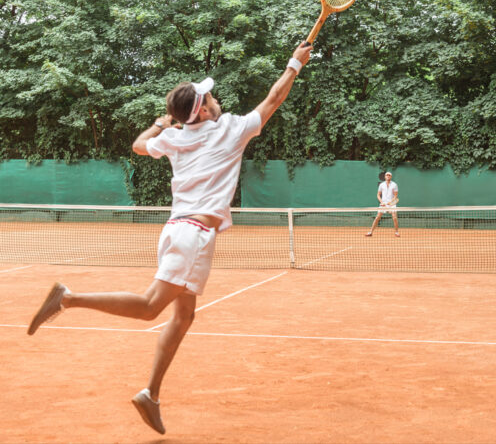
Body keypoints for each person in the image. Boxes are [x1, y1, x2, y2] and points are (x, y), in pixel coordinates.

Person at [26, 41, 313, 435]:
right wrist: (295, 64)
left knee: (184, 315)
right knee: (149, 308)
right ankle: (69, 298)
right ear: (205, 110)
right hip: (192, 235)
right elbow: (273, 99)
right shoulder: (229, 130)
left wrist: (164, 123)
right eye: (210, 97)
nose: (215, 99)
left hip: (180, 231)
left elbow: (139, 145)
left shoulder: (174, 137)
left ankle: (151, 394)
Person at [365, 171, 400, 237]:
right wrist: (381, 202)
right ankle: (370, 232)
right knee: (377, 217)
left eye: (389, 175)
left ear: (391, 177)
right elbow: (378, 195)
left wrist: (390, 203)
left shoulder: (394, 185)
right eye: (387, 175)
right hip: (383, 203)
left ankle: (396, 232)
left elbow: (395, 196)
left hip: (391, 203)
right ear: (385, 176)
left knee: (394, 217)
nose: (388, 176)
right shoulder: (381, 185)